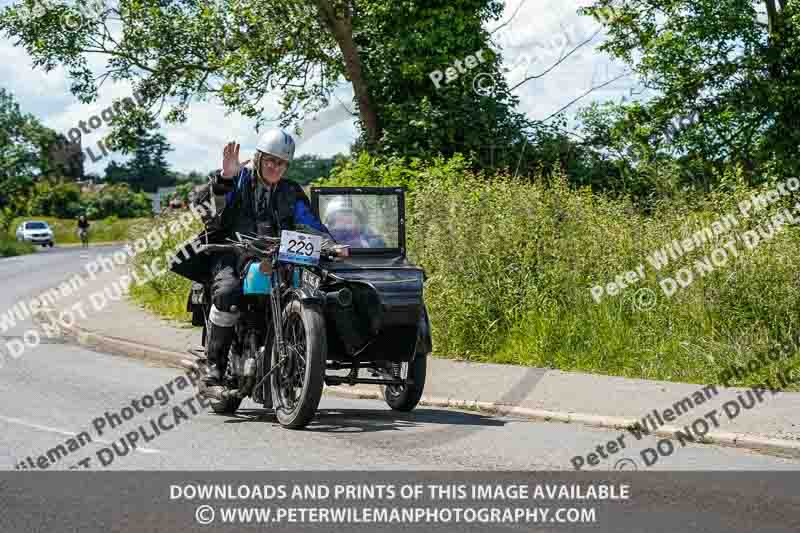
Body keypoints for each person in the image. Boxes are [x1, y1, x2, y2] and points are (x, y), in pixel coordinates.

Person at [179, 128, 346, 388]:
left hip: (276, 257)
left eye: (281, 163)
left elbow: (311, 223)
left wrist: (331, 245)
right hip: (232, 253)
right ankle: (214, 365)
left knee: (310, 288)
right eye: (270, 160)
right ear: (258, 158)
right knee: (228, 291)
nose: (275, 167)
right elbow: (206, 205)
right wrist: (224, 179)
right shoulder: (239, 180)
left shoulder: (290, 191)